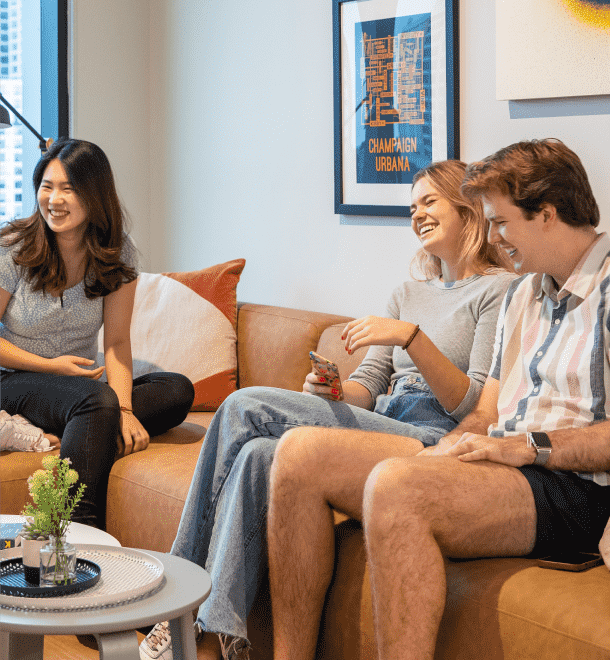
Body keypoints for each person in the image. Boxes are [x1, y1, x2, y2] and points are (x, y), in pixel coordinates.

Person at [141, 159, 515, 660]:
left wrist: (413, 339)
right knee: (256, 454)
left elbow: (472, 404)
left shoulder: (499, 291)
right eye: (411, 207)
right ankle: (217, 636)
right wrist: (331, 392)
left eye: (430, 202)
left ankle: (174, 602)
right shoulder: (406, 293)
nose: (417, 215)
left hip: (431, 436)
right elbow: (367, 386)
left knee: (244, 406)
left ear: (467, 209)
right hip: (380, 418)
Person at [267, 139, 609, 660]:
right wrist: (449, 448)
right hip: (504, 464)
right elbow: (486, 413)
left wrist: (530, 446)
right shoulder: (523, 295)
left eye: (500, 222)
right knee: (298, 455)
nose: (494, 237)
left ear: (547, 213)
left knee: (398, 485)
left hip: (576, 489)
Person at [0, 138, 194, 528]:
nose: (54, 199)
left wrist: (123, 410)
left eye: (68, 189)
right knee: (94, 400)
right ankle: (76, 528)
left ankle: (84, 425)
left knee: (177, 390)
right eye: (47, 186)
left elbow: (117, 343)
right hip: (13, 379)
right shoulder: (13, 246)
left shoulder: (117, 251)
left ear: (94, 195)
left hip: (78, 386)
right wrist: (52, 367)